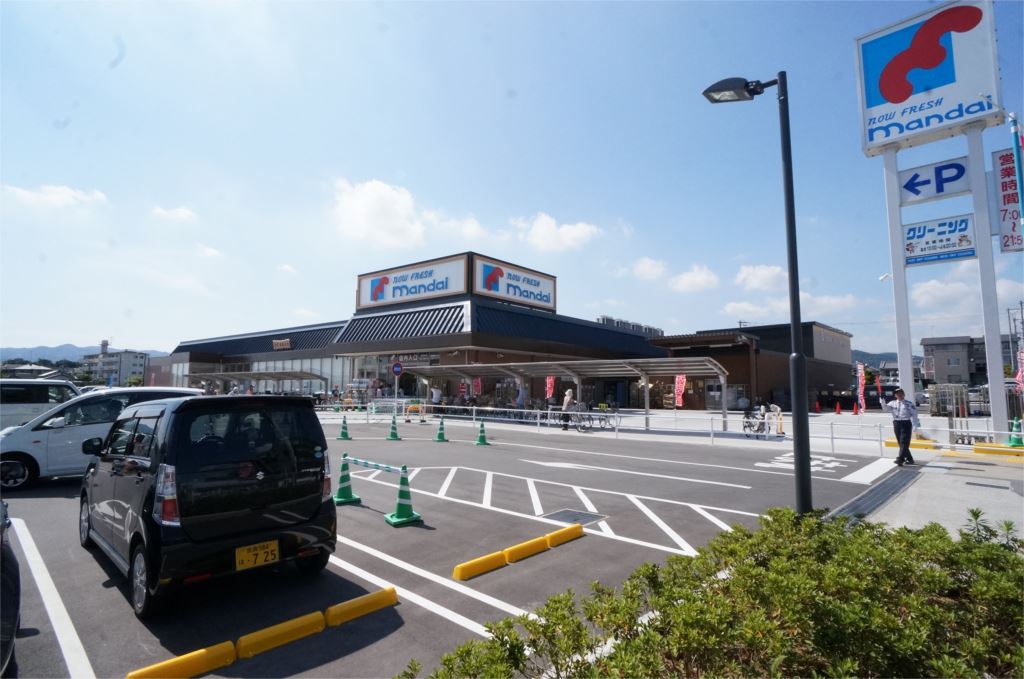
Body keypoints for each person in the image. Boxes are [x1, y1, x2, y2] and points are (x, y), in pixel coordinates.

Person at [883, 387, 920, 466]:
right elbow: (886, 409)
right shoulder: (892, 403)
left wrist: (915, 425)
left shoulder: (909, 404)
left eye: (901, 393)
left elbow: (915, 415)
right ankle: (910, 459)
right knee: (901, 442)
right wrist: (882, 402)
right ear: (895, 395)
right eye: (897, 394)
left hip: (906, 423)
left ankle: (900, 459)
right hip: (896, 423)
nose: (899, 395)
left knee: (904, 441)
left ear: (904, 394)